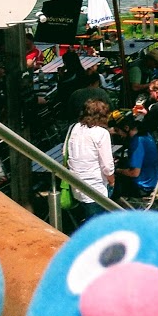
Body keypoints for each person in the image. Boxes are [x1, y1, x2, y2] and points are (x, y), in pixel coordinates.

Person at [63, 97, 114, 228]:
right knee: (96, 223)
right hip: (95, 186)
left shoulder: (74, 128)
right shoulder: (102, 133)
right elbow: (107, 166)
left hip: (76, 182)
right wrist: (112, 180)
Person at [112, 113, 158, 202]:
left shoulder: (137, 143)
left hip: (142, 187)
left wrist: (117, 170)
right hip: (151, 179)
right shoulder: (145, 134)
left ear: (126, 128)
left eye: (117, 130)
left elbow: (134, 173)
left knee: (110, 182)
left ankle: (114, 207)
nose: (118, 134)